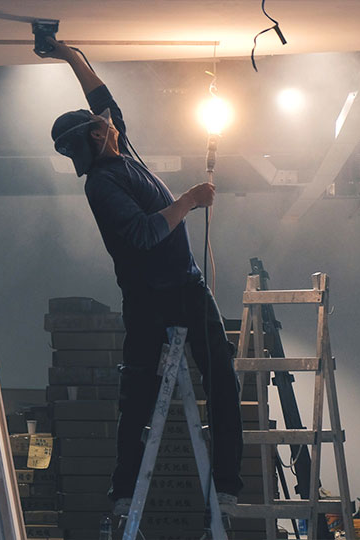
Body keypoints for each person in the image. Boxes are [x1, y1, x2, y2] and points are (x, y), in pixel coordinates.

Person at [40, 38, 243, 515]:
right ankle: (125, 491)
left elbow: (102, 100)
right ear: (96, 137)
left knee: (223, 382)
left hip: (187, 286)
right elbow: (146, 232)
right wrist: (190, 200)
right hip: (151, 300)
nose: (108, 119)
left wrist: (72, 57)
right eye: (101, 123)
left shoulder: (120, 153)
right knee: (138, 398)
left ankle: (228, 484)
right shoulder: (103, 184)